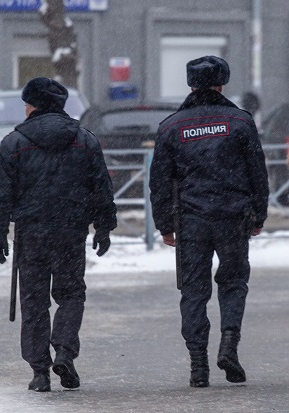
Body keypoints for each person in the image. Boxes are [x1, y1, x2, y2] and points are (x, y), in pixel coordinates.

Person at [0, 77, 117, 392]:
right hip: (71, 233)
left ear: (31, 105)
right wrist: (103, 226)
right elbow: (101, 187)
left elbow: (0, 195)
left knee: (33, 302)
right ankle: (64, 351)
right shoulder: (84, 140)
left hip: (31, 235)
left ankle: (40, 372)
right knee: (71, 295)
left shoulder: (14, 143)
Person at [149, 56, 269, 388]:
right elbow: (258, 173)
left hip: (191, 221)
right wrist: (258, 215)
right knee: (232, 283)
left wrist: (164, 225)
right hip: (232, 217)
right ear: (222, 84)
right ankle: (229, 343)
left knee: (193, 291)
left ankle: (198, 365)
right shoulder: (240, 121)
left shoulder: (172, 126)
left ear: (190, 85)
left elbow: (159, 181)